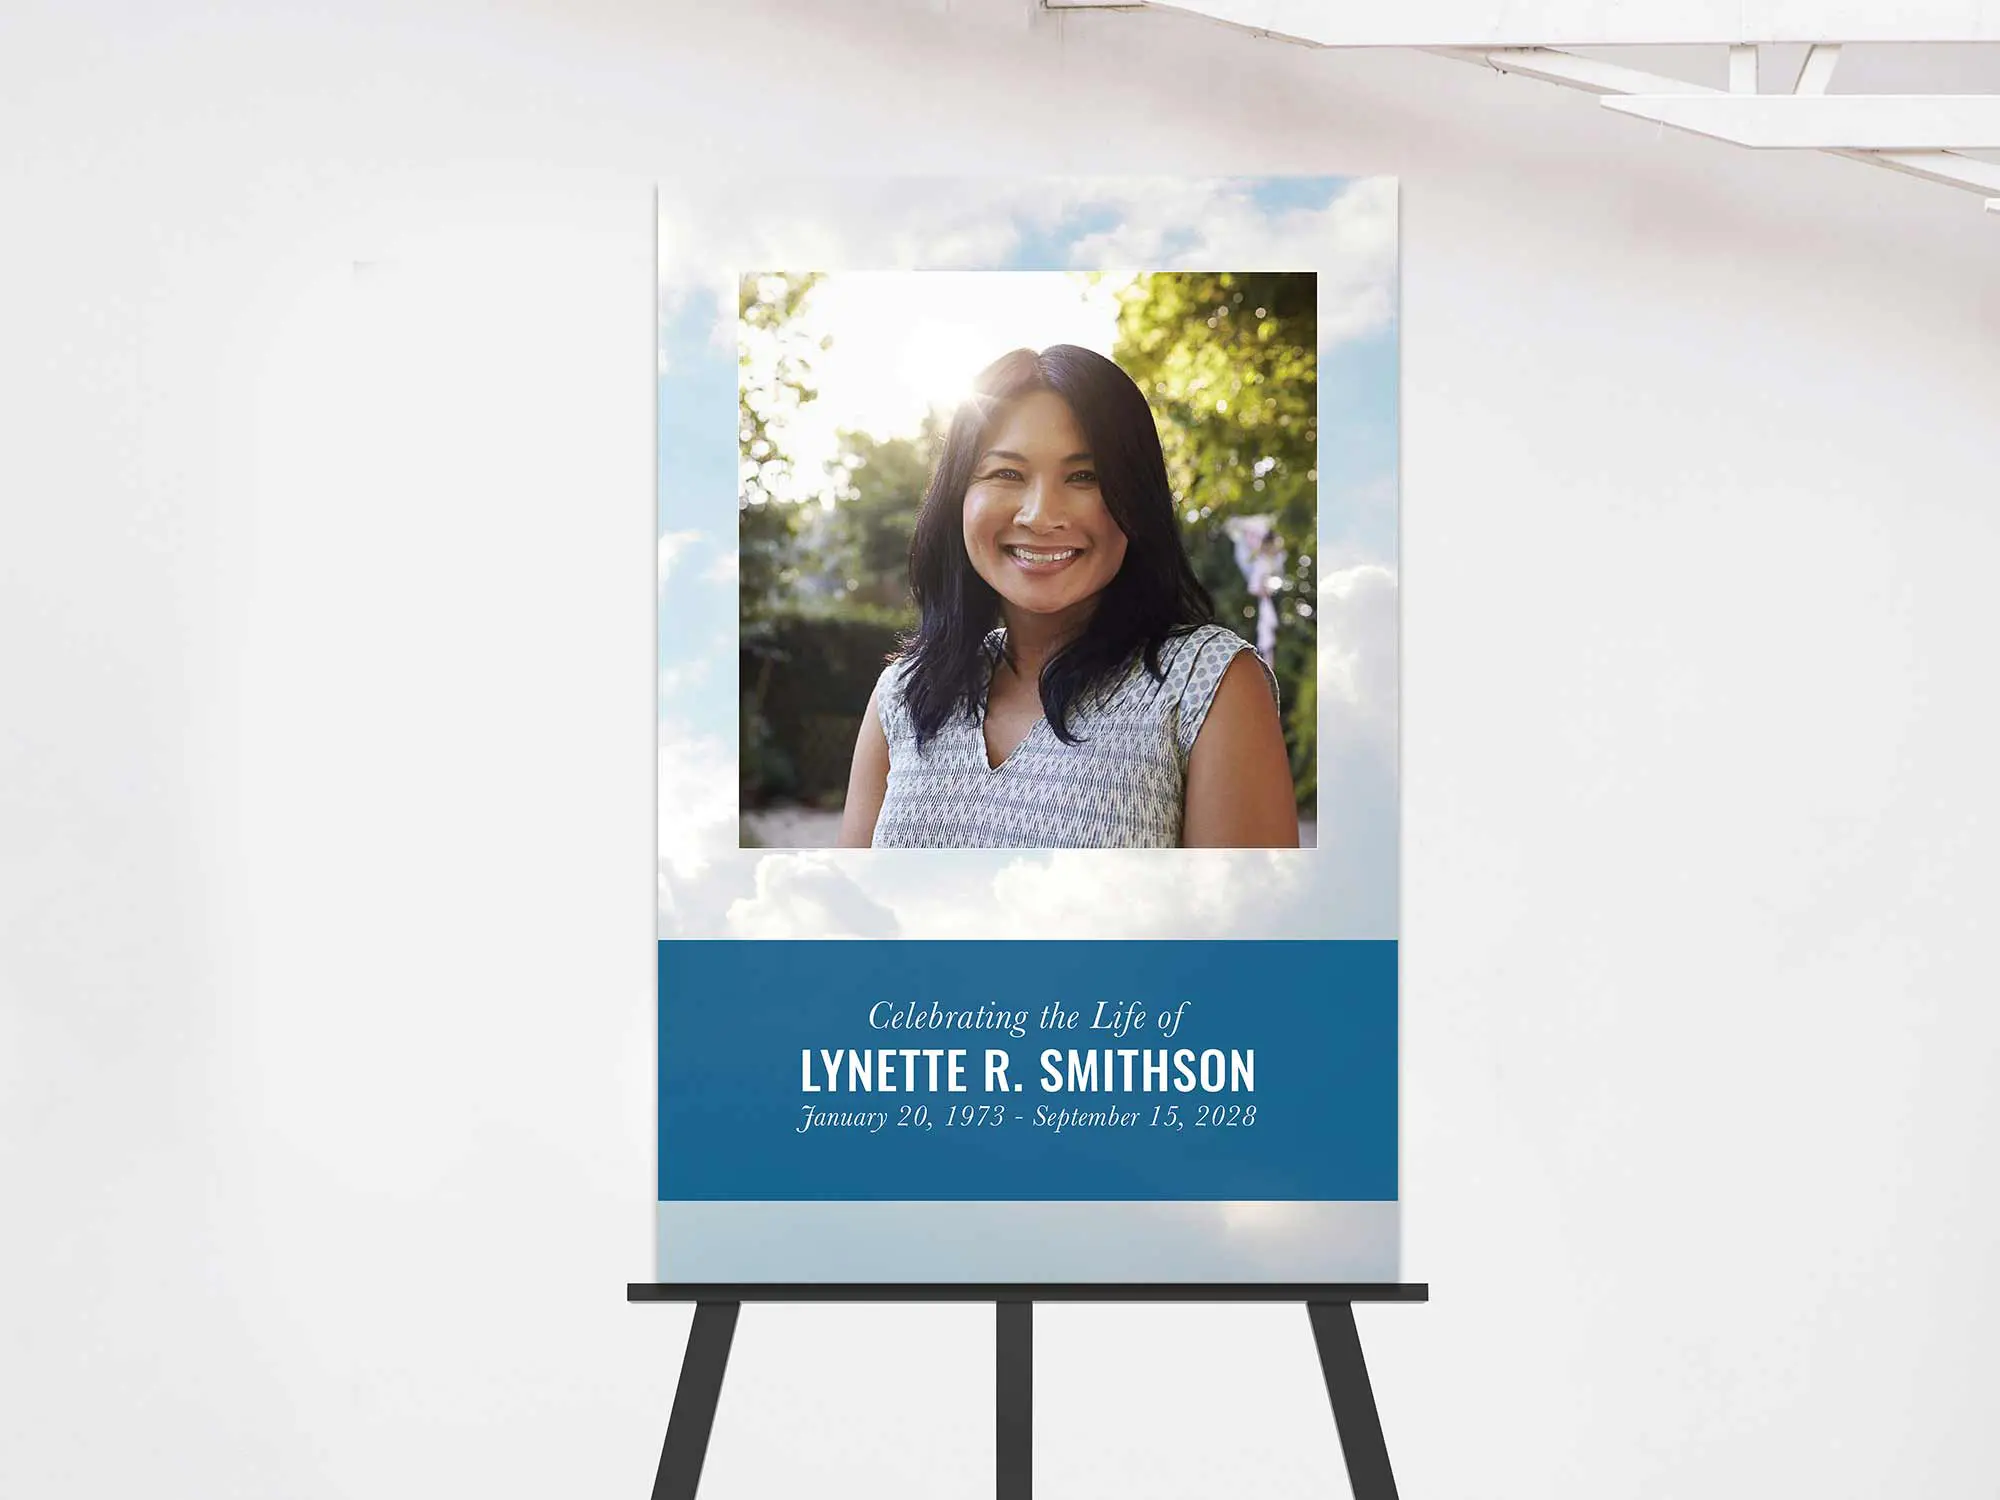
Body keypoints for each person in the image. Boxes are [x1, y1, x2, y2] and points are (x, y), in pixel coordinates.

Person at [837, 345, 1300, 850]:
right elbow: (851, 920)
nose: (1041, 515)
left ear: (1135, 499)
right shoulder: (903, 694)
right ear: (957, 499)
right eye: (1007, 473)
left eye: (1086, 476)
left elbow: (1251, 925)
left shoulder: (1206, 683)